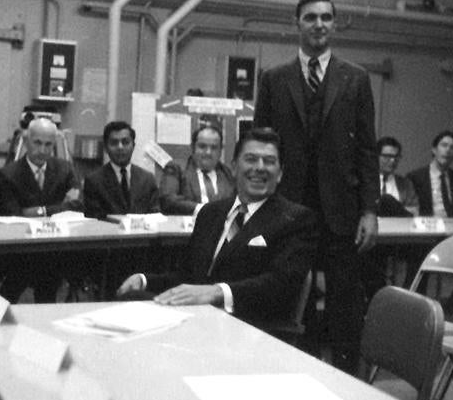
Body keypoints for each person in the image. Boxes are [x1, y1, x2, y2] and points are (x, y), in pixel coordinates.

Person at [253, 0, 379, 374]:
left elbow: (368, 150)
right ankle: (296, 375)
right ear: (298, 23)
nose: (319, 24)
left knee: (345, 306)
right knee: (293, 299)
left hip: (342, 210)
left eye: (326, 17)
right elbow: (260, 146)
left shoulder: (355, 79)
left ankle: (349, 381)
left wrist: (370, 210)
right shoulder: (274, 79)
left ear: (334, 24)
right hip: (290, 210)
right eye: (311, 17)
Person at [117, 128, 318, 332]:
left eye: (269, 161)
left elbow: (280, 284)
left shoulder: (297, 219)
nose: (259, 167)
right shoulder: (210, 213)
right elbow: (189, 277)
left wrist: (217, 292)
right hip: (197, 320)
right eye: (251, 159)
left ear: (280, 172)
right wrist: (145, 280)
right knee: (132, 299)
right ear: (233, 167)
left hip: (247, 329)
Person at [0, 117, 84, 303]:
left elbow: (76, 205)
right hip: (20, 249)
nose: (42, 150)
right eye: (37, 143)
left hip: (55, 247)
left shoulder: (65, 169)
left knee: (50, 271)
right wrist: (60, 207)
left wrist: (40, 211)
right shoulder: (7, 174)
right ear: (27, 141)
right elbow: (13, 214)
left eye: (48, 145)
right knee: (29, 270)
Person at [362, 137, 420, 301]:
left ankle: (408, 296)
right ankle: (378, 298)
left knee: (386, 200)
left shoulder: (405, 183)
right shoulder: (366, 182)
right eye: (387, 156)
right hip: (374, 238)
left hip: (399, 239)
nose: (392, 161)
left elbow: (414, 212)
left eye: (396, 157)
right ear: (376, 157)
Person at [83, 121, 159, 219]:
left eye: (125, 142)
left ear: (133, 146)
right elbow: (93, 220)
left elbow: (155, 216)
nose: (120, 147)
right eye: (114, 143)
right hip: (109, 233)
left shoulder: (148, 179)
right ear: (106, 148)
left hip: (143, 233)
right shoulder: (94, 181)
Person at [160, 125, 235, 215]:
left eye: (214, 148)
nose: (208, 152)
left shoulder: (228, 174)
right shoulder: (177, 168)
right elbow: (168, 201)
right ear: (193, 148)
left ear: (220, 151)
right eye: (202, 146)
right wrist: (203, 209)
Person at [407, 130, 453, 217]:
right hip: (426, 226)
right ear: (434, 149)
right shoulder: (415, 177)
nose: (448, 150)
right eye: (444, 145)